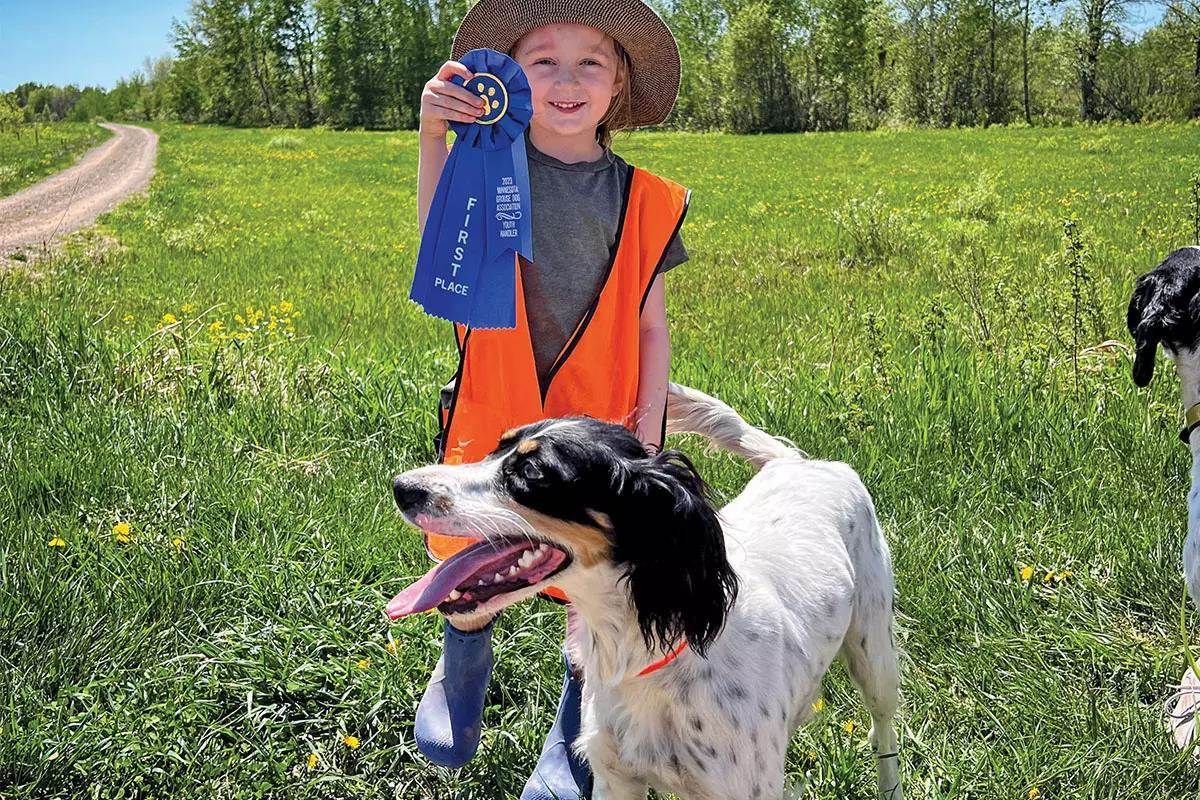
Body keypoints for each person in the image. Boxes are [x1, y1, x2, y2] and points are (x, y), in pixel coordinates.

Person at [413, 3, 690, 797]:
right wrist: (435, 136)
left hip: (596, 430)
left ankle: (577, 732)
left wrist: (648, 425)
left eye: (589, 64)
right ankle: (463, 663)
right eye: (543, 61)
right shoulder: (483, 163)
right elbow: (440, 238)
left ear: (619, 84)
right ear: (509, 78)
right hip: (494, 415)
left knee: (596, 586)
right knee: (470, 559)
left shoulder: (649, 199)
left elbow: (649, 321)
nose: (567, 81)